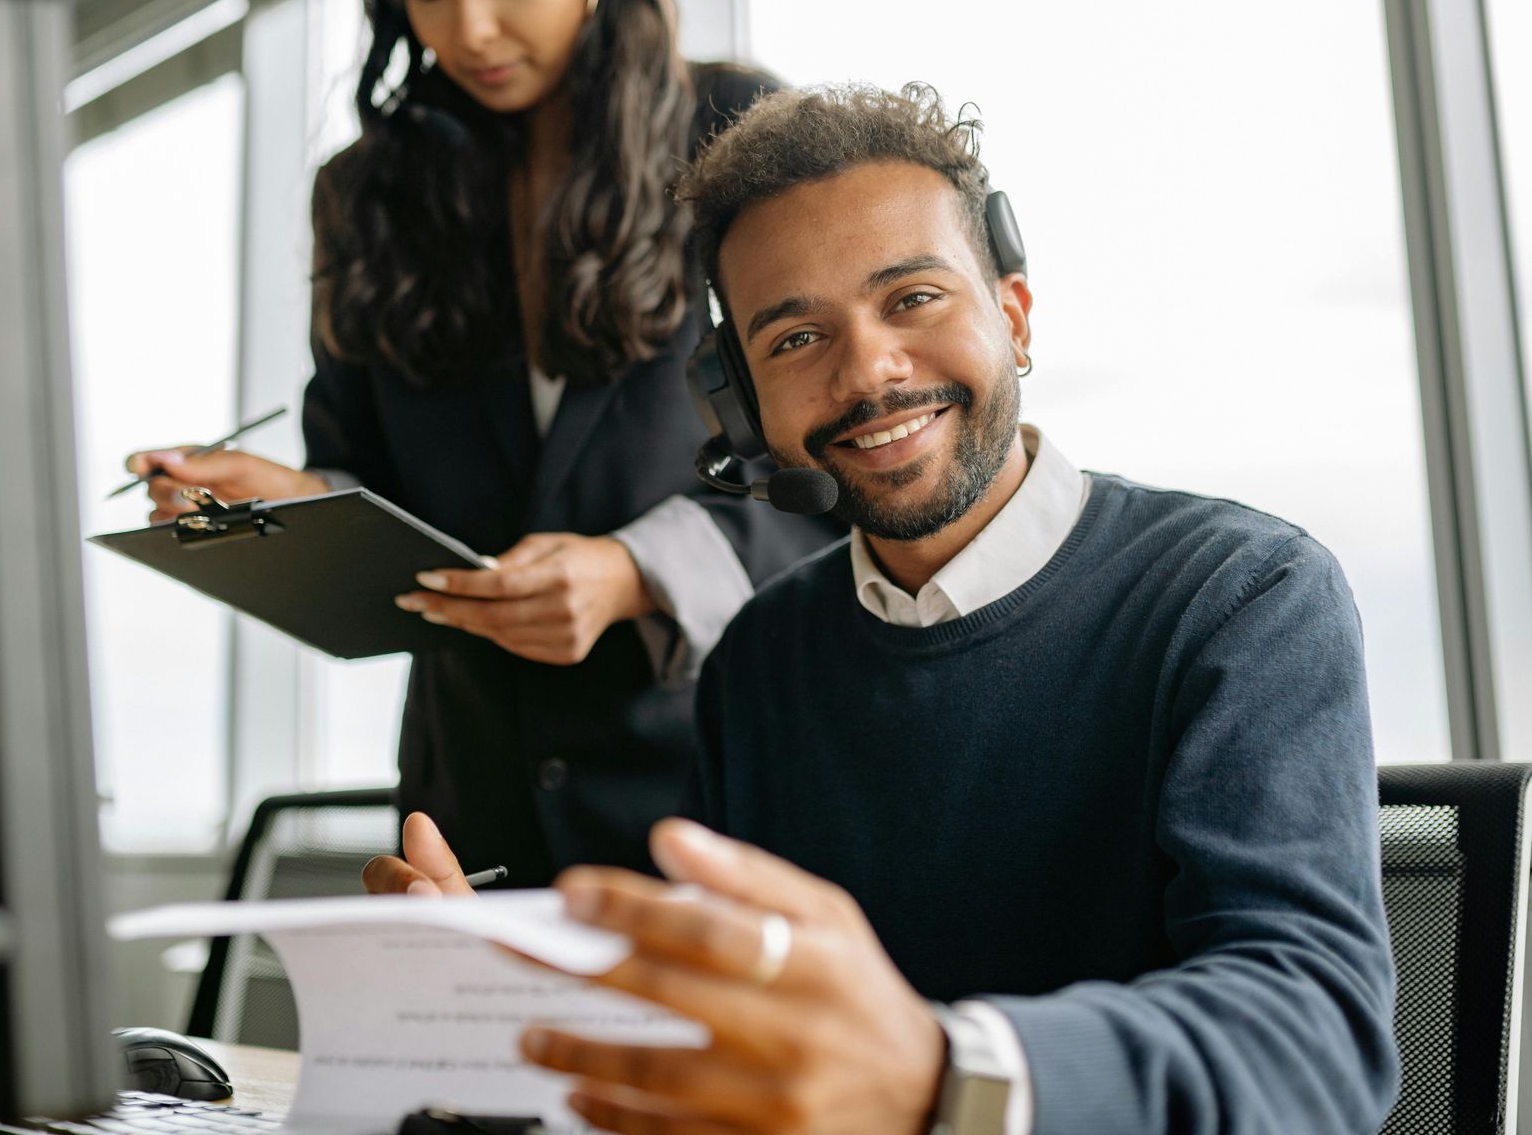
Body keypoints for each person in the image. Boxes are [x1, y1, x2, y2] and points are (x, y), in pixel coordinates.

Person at [364, 84, 1402, 1133]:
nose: (869, 371)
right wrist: (506, 993)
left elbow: (1312, 1039)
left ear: (1013, 312)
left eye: (913, 299)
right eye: (796, 338)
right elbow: (739, 1044)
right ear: (742, 407)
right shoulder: (760, 657)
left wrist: (943, 1071)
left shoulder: (1241, 601)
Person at [127, 0, 834, 886]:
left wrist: (636, 571)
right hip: (472, 796)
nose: (468, 31)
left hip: (710, 790)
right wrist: (293, 501)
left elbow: (834, 458)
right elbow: (364, 471)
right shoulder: (368, 192)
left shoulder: (739, 130)